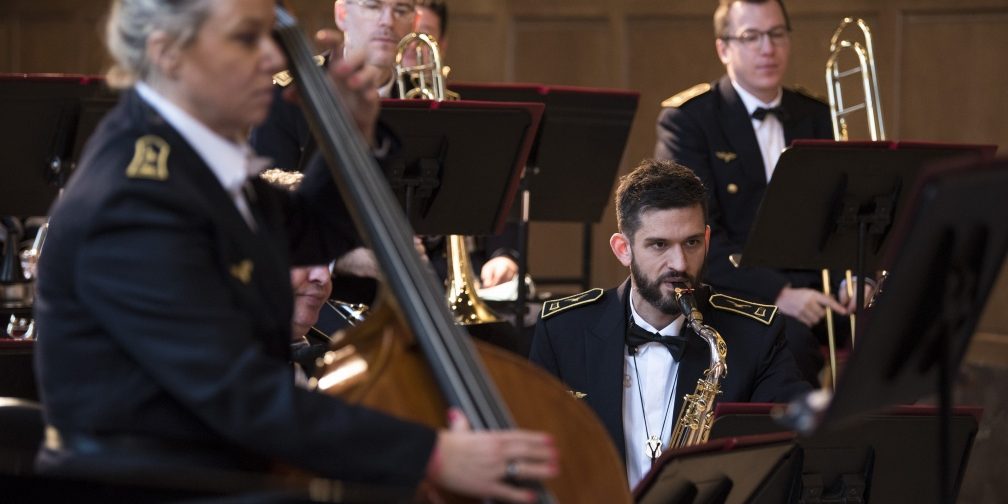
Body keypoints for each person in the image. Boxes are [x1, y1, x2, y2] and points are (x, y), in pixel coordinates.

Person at [32, 1, 556, 501]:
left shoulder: (190, 158)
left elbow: (313, 233)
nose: (274, 57)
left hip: (217, 468)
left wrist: (348, 133)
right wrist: (432, 454)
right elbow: (238, 395)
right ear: (167, 51)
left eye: (270, 35)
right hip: (153, 486)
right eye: (246, 38)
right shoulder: (134, 196)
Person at [529, 159, 810, 488]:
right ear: (623, 249)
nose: (679, 263)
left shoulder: (756, 335)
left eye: (691, 243)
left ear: (707, 239)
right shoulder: (563, 330)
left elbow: (789, 461)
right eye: (659, 245)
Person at [653, 0, 868, 383]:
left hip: (821, 293)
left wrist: (851, 278)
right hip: (736, 293)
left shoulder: (818, 115)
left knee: (909, 329)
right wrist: (779, 292)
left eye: (776, 34)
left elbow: (842, 214)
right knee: (789, 345)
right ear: (724, 48)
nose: (767, 48)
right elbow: (694, 236)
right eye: (751, 37)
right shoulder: (689, 121)